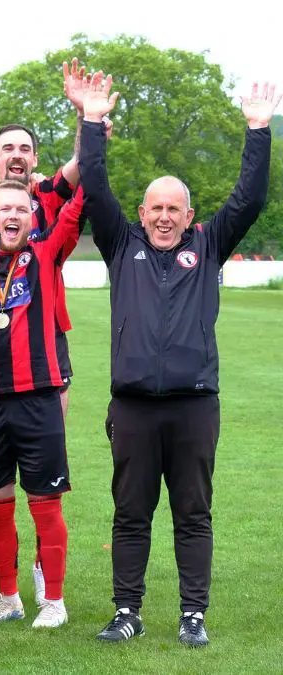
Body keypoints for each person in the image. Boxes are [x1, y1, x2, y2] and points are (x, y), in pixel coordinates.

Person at [80, 74, 277, 648]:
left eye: (175, 209)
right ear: (141, 213)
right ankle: (127, 611)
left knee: (193, 515)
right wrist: (92, 123)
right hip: (134, 409)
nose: (164, 217)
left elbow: (251, 198)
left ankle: (194, 614)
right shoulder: (122, 245)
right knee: (130, 516)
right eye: (156, 208)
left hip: (194, 409)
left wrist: (258, 130)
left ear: (190, 216)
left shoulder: (208, 245)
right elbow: (94, 188)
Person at [0, 182, 84, 630]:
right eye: (2, 208)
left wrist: (91, 125)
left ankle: (53, 599)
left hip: (39, 398)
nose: (10, 215)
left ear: (34, 218)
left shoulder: (46, 252)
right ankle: (10, 596)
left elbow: (79, 204)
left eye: (20, 208)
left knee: (45, 504)